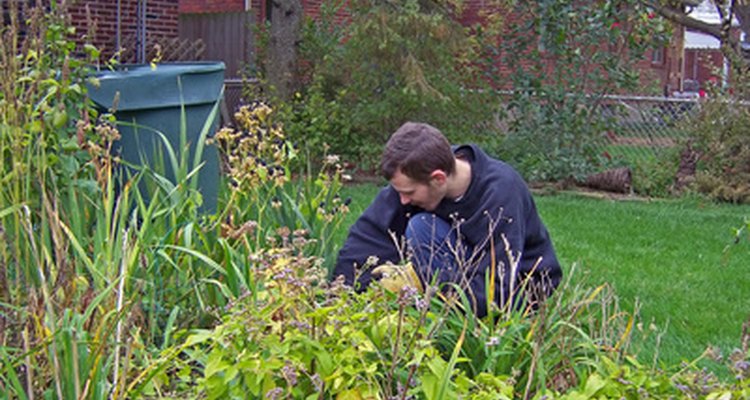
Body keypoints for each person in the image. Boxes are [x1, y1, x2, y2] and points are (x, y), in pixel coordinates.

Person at [332, 122, 562, 317]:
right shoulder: (417, 173)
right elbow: (368, 237)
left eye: (409, 193)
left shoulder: (501, 193)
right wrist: (340, 298)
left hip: (518, 289)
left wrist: (420, 289)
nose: (402, 200)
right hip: (461, 275)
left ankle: (449, 324)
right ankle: (441, 308)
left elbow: (498, 288)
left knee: (421, 228)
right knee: (422, 226)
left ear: (438, 178)